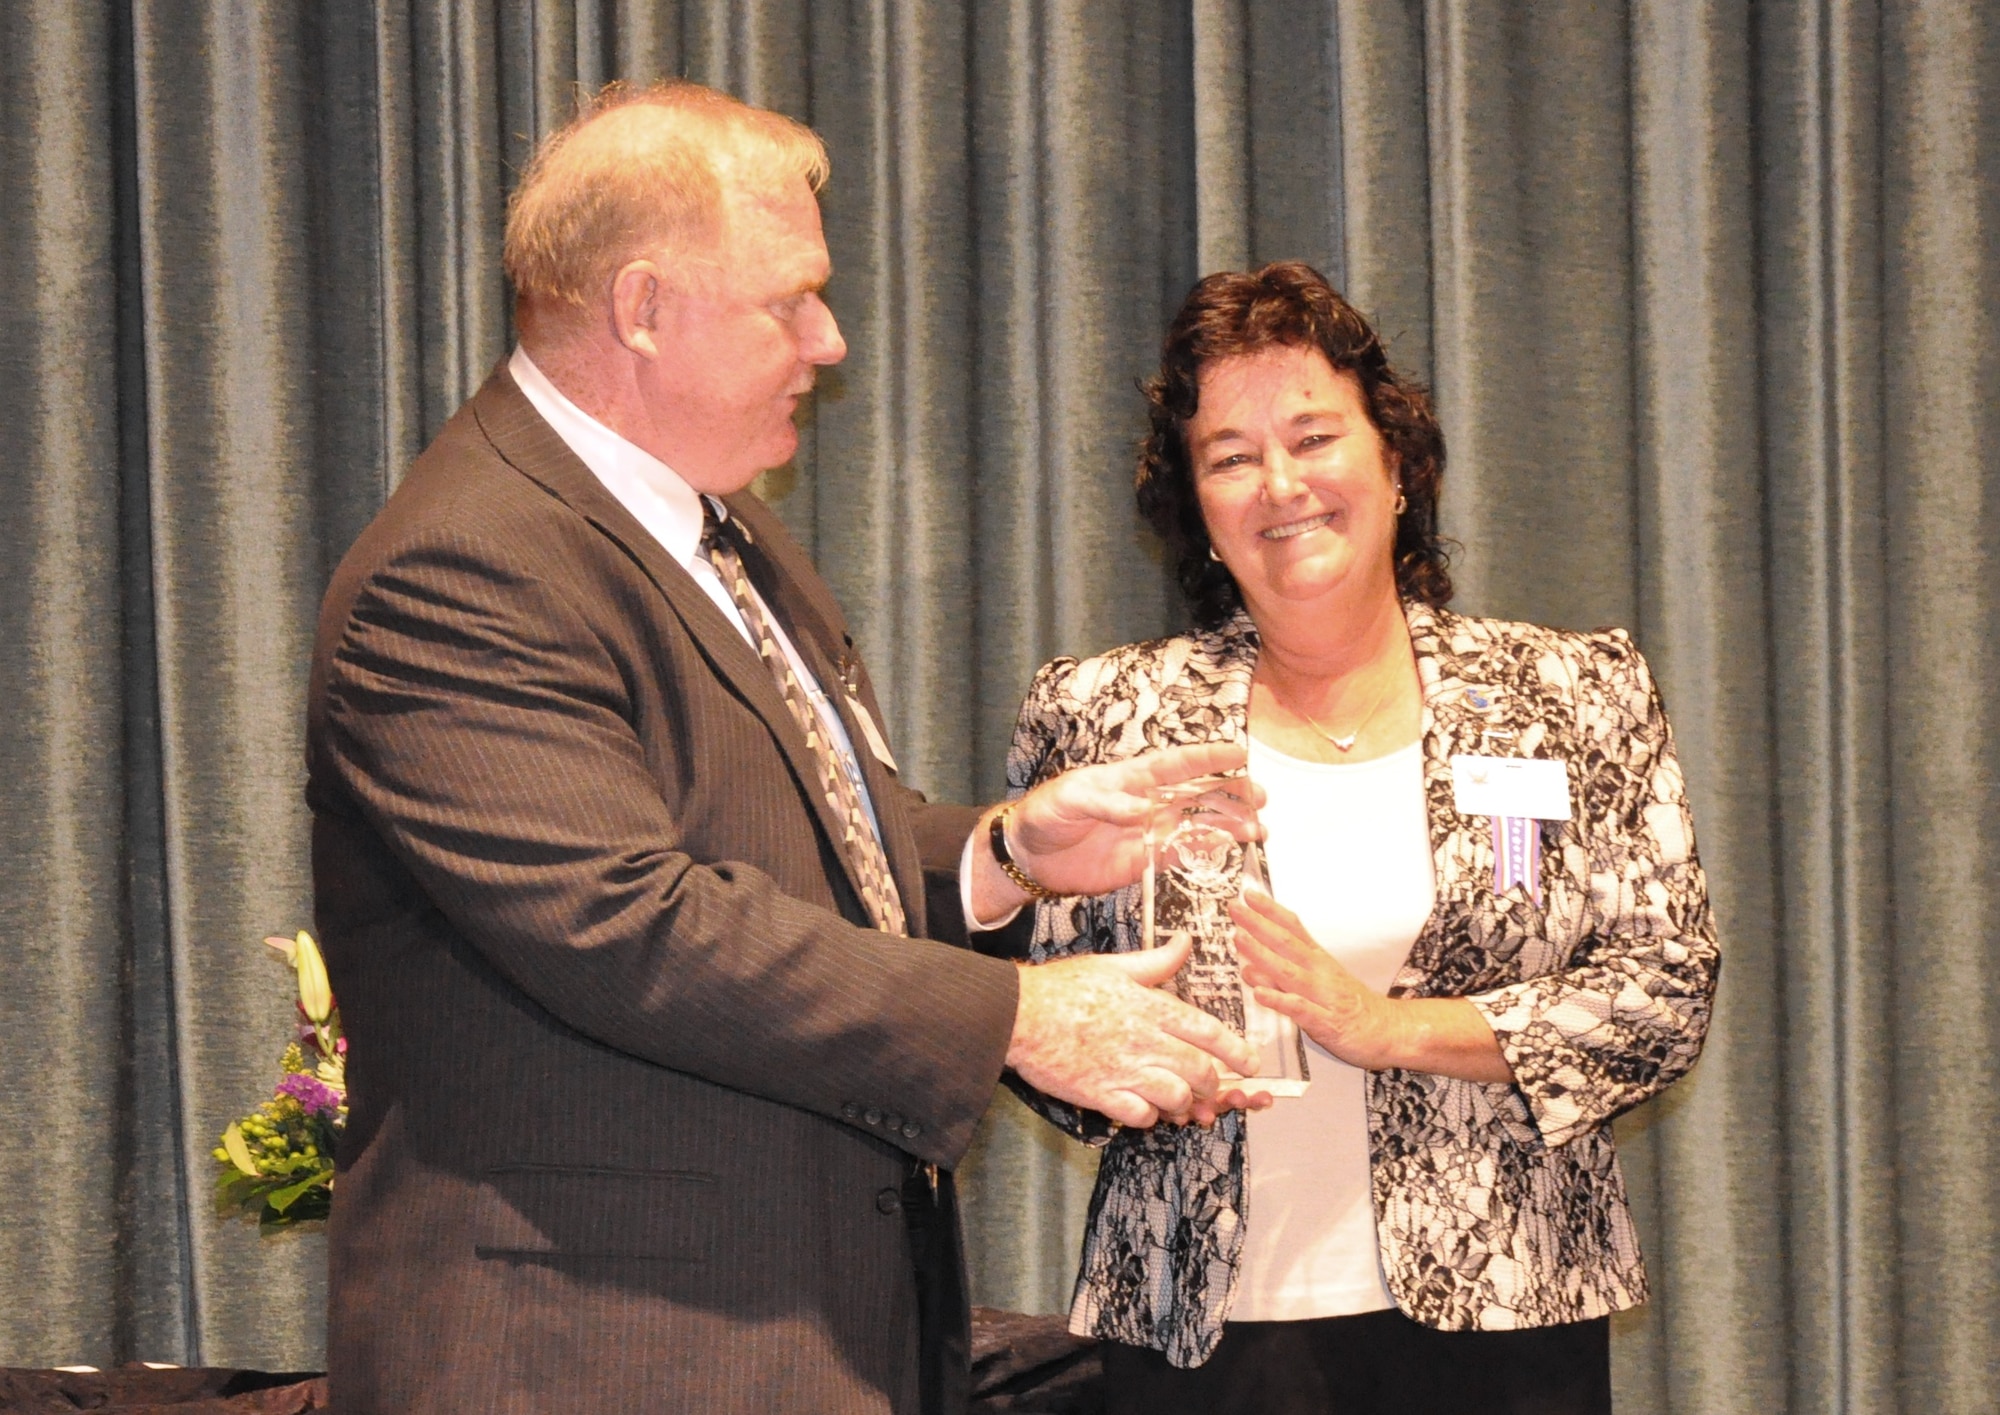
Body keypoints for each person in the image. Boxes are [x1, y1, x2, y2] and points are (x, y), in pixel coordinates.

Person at [305, 81, 1256, 1415]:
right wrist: (1022, 1015)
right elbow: (626, 921)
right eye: (788, 298)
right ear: (641, 309)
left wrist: (998, 853)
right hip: (600, 1354)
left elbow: (811, 848)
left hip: (791, 1335)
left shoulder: (727, 534)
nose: (830, 337)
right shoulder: (467, 564)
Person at [997, 261, 1720, 1415]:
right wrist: (1144, 1069)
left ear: (1395, 465)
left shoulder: (1569, 692)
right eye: (1228, 456)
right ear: (1197, 506)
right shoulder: (1101, 715)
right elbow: (1033, 1016)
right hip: (1198, 1333)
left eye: (1312, 437)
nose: (1277, 483)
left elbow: (1663, 990)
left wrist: (1384, 1027)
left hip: (1504, 1314)